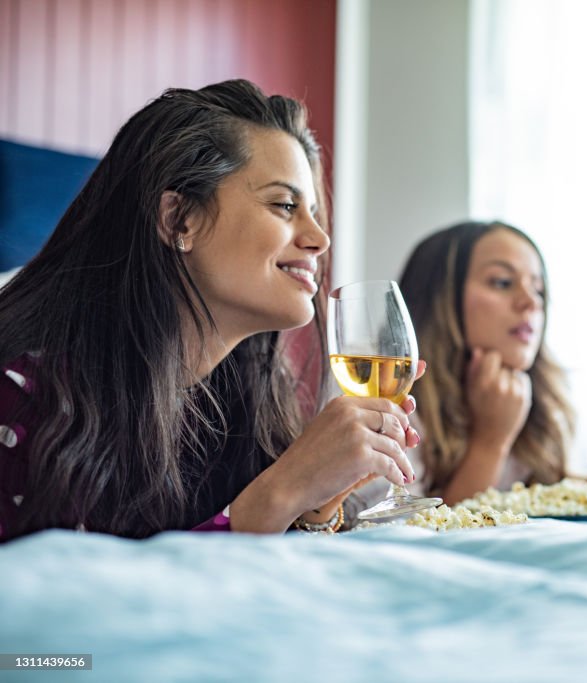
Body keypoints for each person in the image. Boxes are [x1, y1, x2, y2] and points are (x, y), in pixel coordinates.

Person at [0, 80, 420, 542]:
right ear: (179, 220)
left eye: (316, 213)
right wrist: (277, 494)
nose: (320, 239)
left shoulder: (243, 405)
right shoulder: (22, 392)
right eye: (284, 205)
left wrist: (315, 504)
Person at [369, 220, 587, 506]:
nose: (531, 302)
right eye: (503, 282)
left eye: (538, 289)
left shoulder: (535, 397)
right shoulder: (392, 402)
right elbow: (425, 531)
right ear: (439, 298)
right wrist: (491, 441)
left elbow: (570, 503)